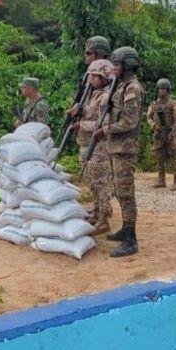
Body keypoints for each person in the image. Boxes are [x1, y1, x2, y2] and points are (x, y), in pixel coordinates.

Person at [93, 46, 145, 258]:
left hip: (125, 148)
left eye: (117, 64)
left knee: (125, 193)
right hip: (116, 147)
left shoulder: (132, 89)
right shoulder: (121, 86)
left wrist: (106, 130)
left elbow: (130, 121)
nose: (113, 68)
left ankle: (131, 239)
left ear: (128, 65)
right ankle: (125, 229)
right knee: (119, 191)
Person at [70, 59, 114, 235]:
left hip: (99, 147)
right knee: (92, 183)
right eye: (91, 76)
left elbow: (104, 123)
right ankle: (97, 212)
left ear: (105, 77)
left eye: (96, 76)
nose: (92, 79)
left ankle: (104, 220)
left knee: (101, 184)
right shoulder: (93, 94)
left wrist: (82, 125)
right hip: (88, 144)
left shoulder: (105, 96)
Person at [147, 78, 176, 190]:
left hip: (170, 133)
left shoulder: (172, 103)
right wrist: (154, 126)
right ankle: (161, 180)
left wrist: (173, 132)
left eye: (163, 89)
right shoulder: (154, 104)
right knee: (159, 157)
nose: (161, 91)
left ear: (167, 90)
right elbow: (148, 117)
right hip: (158, 134)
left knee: (173, 157)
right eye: (159, 89)